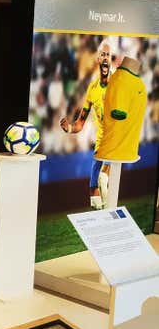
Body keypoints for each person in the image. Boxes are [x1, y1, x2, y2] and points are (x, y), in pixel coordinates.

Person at [59, 39, 112, 209]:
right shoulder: (92, 89)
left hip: (116, 140)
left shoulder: (118, 83)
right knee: (93, 188)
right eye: (102, 54)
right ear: (98, 59)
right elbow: (80, 122)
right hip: (101, 143)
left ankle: (109, 209)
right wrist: (69, 128)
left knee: (104, 179)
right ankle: (99, 213)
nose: (105, 57)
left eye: (108, 55)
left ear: (111, 59)